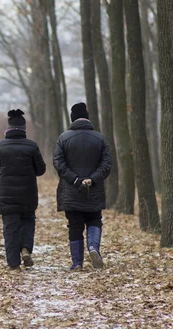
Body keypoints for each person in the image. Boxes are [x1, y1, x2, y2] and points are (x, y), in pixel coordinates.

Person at [53, 102, 112, 271]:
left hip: (71, 190)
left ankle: (77, 263)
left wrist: (76, 180)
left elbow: (58, 163)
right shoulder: (100, 138)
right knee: (94, 220)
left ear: (72, 119)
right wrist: (92, 180)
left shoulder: (63, 138)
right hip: (94, 189)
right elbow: (107, 164)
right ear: (87, 118)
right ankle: (93, 248)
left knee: (74, 225)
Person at [0, 109, 46, 269]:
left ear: (8, 128)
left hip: (6, 196)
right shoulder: (32, 146)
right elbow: (41, 170)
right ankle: (26, 248)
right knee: (28, 221)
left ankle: (13, 263)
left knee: (10, 228)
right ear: (23, 129)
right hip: (28, 194)